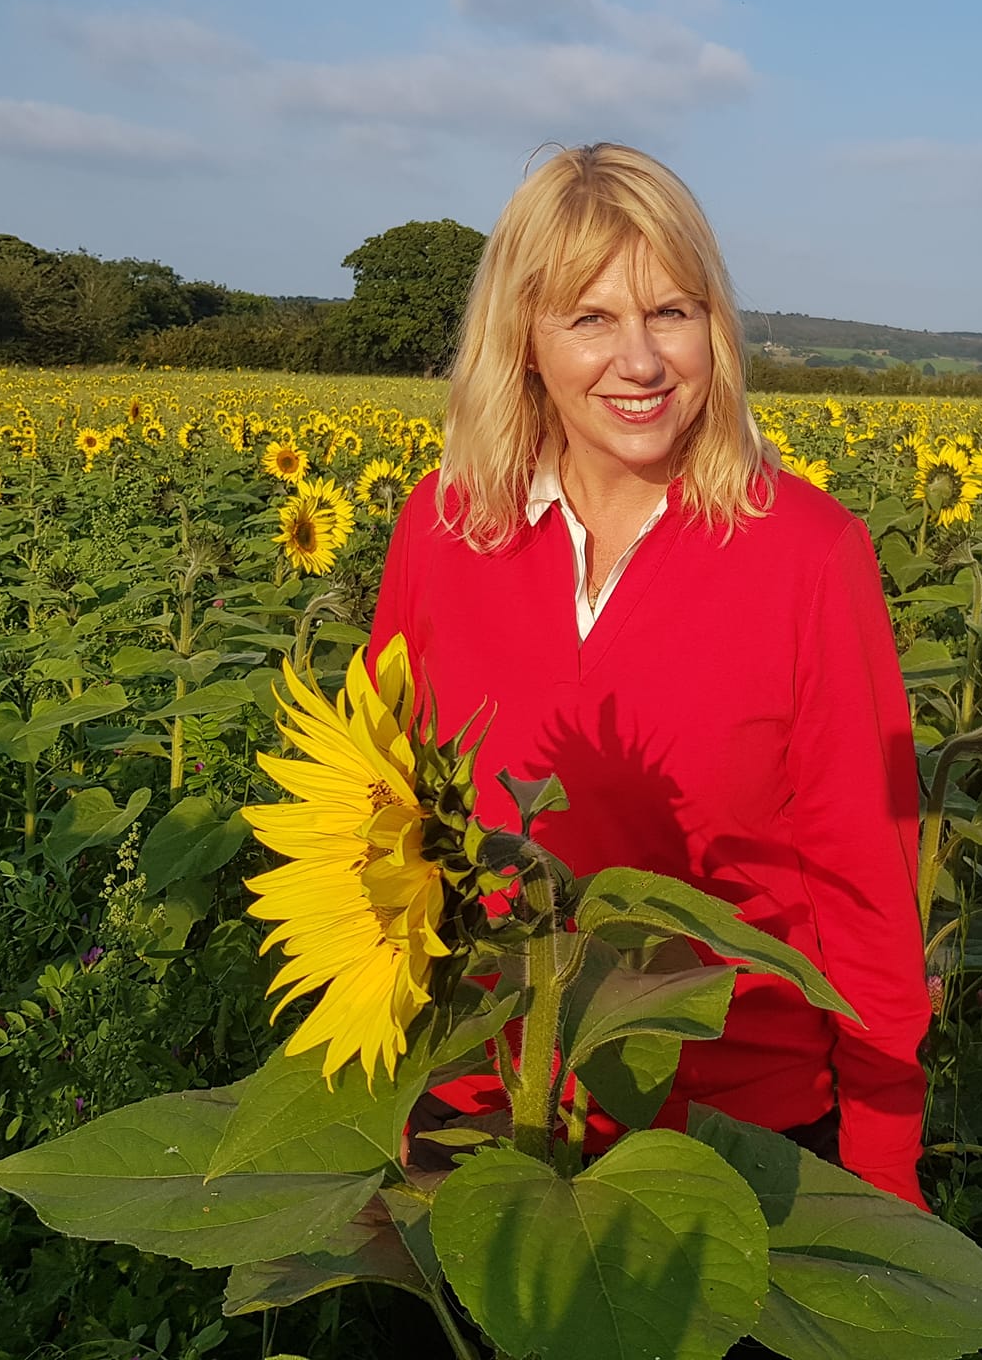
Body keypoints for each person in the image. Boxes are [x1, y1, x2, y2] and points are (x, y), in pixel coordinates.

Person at [364, 142, 931, 1207]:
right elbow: (380, 804)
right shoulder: (443, 534)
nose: (641, 361)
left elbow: (863, 883)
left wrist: (884, 1166)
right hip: (477, 1103)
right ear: (522, 342)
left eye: (671, 312)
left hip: (728, 1131)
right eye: (589, 319)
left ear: (714, 327)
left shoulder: (807, 552)